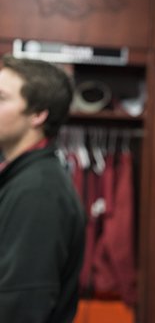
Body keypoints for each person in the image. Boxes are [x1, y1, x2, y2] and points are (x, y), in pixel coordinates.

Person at [0, 55, 85, 322]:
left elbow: (23, 303)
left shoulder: (38, 191)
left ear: (37, 115)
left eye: (1, 98)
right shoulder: (23, 178)